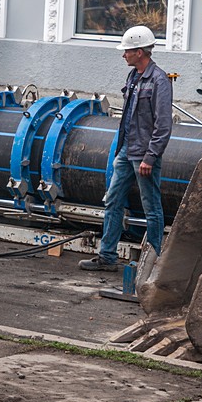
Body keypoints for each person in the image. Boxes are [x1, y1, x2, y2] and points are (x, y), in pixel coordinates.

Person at [79, 26, 173, 271]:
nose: (123, 55)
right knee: (112, 201)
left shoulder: (159, 81)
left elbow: (163, 125)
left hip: (143, 155)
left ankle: (153, 264)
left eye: (127, 51)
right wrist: (120, 151)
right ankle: (107, 257)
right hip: (127, 151)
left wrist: (150, 157)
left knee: (151, 207)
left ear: (140, 52)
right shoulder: (133, 77)